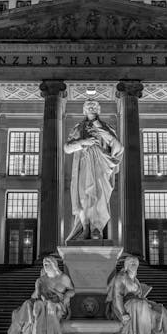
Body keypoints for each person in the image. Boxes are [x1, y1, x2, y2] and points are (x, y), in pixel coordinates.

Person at [64, 100, 123, 241]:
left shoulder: (106, 127)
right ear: (84, 111)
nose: (91, 107)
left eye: (95, 106)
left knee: (99, 197)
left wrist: (98, 126)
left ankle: (96, 228)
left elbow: (117, 145)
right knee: (83, 197)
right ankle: (85, 228)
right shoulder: (78, 128)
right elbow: (67, 148)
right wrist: (83, 142)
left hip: (101, 165)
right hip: (83, 165)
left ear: (99, 110)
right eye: (88, 106)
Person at [8, 257, 75, 334]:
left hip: (57, 304)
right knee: (28, 304)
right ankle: (17, 331)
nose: (45, 266)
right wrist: (40, 294)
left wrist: (67, 295)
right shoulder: (41, 280)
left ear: (54, 264)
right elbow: (36, 295)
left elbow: (72, 290)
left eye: (47, 264)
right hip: (42, 302)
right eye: (44, 264)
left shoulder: (63, 278)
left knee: (43, 306)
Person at [106, 256, 167, 334]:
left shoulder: (136, 280)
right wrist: (123, 313)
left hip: (136, 304)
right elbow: (117, 296)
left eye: (135, 263)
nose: (134, 264)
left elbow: (138, 295)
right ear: (126, 265)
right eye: (131, 263)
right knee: (140, 305)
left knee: (158, 310)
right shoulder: (121, 277)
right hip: (123, 305)